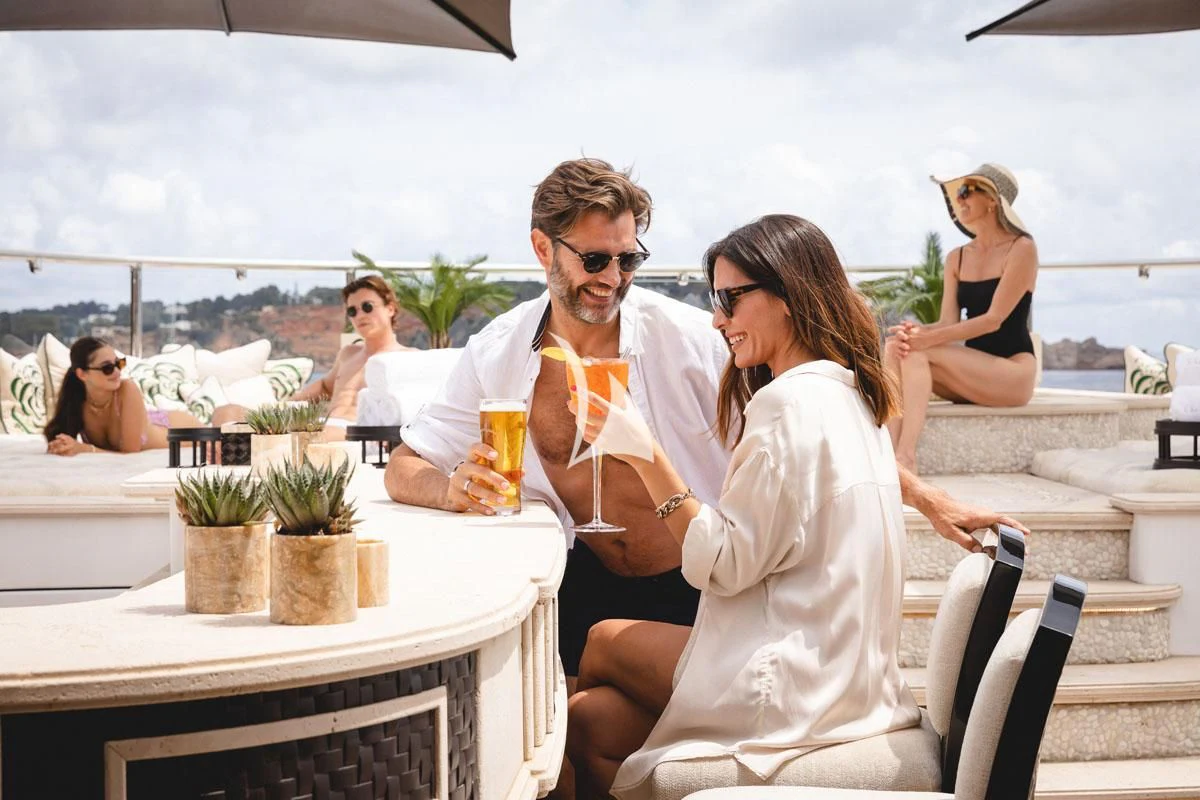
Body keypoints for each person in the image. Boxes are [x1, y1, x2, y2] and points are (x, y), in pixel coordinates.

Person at [384, 157, 1029, 683]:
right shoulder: (497, 352)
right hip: (577, 575)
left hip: (703, 588)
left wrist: (923, 496)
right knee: (569, 732)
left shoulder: (691, 339)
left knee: (591, 721)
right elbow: (404, 465)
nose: (613, 278)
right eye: (594, 259)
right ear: (541, 249)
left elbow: (819, 430)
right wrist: (449, 490)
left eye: (628, 260)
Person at [567, 214, 922, 800]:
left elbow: (725, 567)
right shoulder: (854, 396)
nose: (717, 319)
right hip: (853, 676)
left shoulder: (786, 404)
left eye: (732, 299)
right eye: (716, 300)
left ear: (789, 296)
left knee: (602, 638)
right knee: (591, 720)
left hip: (795, 688)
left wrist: (645, 456)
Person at [884, 163, 1039, 472]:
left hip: (1012, 373)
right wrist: (915, 331)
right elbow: (947, 323)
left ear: (992, 200)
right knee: (896, 347)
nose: (961, 199)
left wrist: (926, 339)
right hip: (973, 369)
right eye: (958, 194)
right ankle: (888, 457)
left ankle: (905, 459)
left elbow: (993, 319)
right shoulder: (957, 256)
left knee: (916, 348)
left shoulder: (1022, 249)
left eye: (968, 191)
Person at [44, 336, 241, 456]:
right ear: (82, 374)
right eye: (107, 368)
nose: (116, 372)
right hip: (155, 421)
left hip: (179, 427)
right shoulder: (78, 403)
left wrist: (84, 449)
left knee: (227, 430)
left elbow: (130, 453)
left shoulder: (127, 390)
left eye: (119, 363)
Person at [290, 274, 412, 440]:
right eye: (352, 311)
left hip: (365, 438)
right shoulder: (348, 354)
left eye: (367, 307)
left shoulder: (407, 358)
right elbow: (325, 387)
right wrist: (285, 406)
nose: (360, 315)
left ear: (390, 308)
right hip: (327, 428)